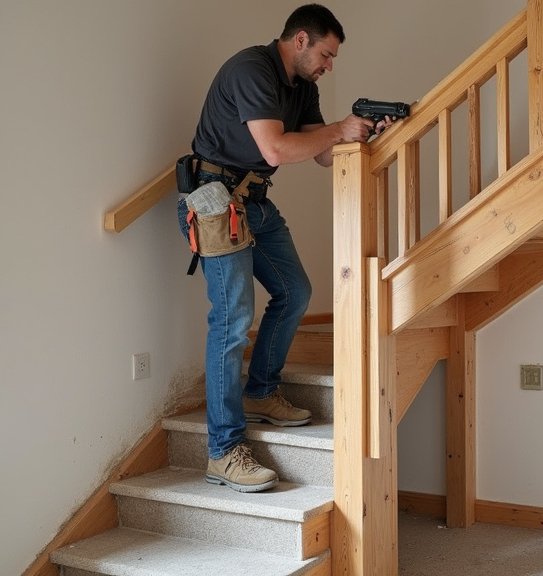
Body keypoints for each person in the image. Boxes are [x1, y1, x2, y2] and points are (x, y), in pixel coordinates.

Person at [178, 3, 394, 493]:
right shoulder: (251, 69)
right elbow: (275, 148)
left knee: (295, 292)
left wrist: (362, 134)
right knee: (232, 321)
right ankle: (223, 451)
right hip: (215, 200)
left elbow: (319, 154)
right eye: (325, 54)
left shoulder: (305, 87)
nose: (328, 65)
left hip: (253, 199)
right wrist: (338, 128)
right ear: (300, 40)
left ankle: (260, 392)